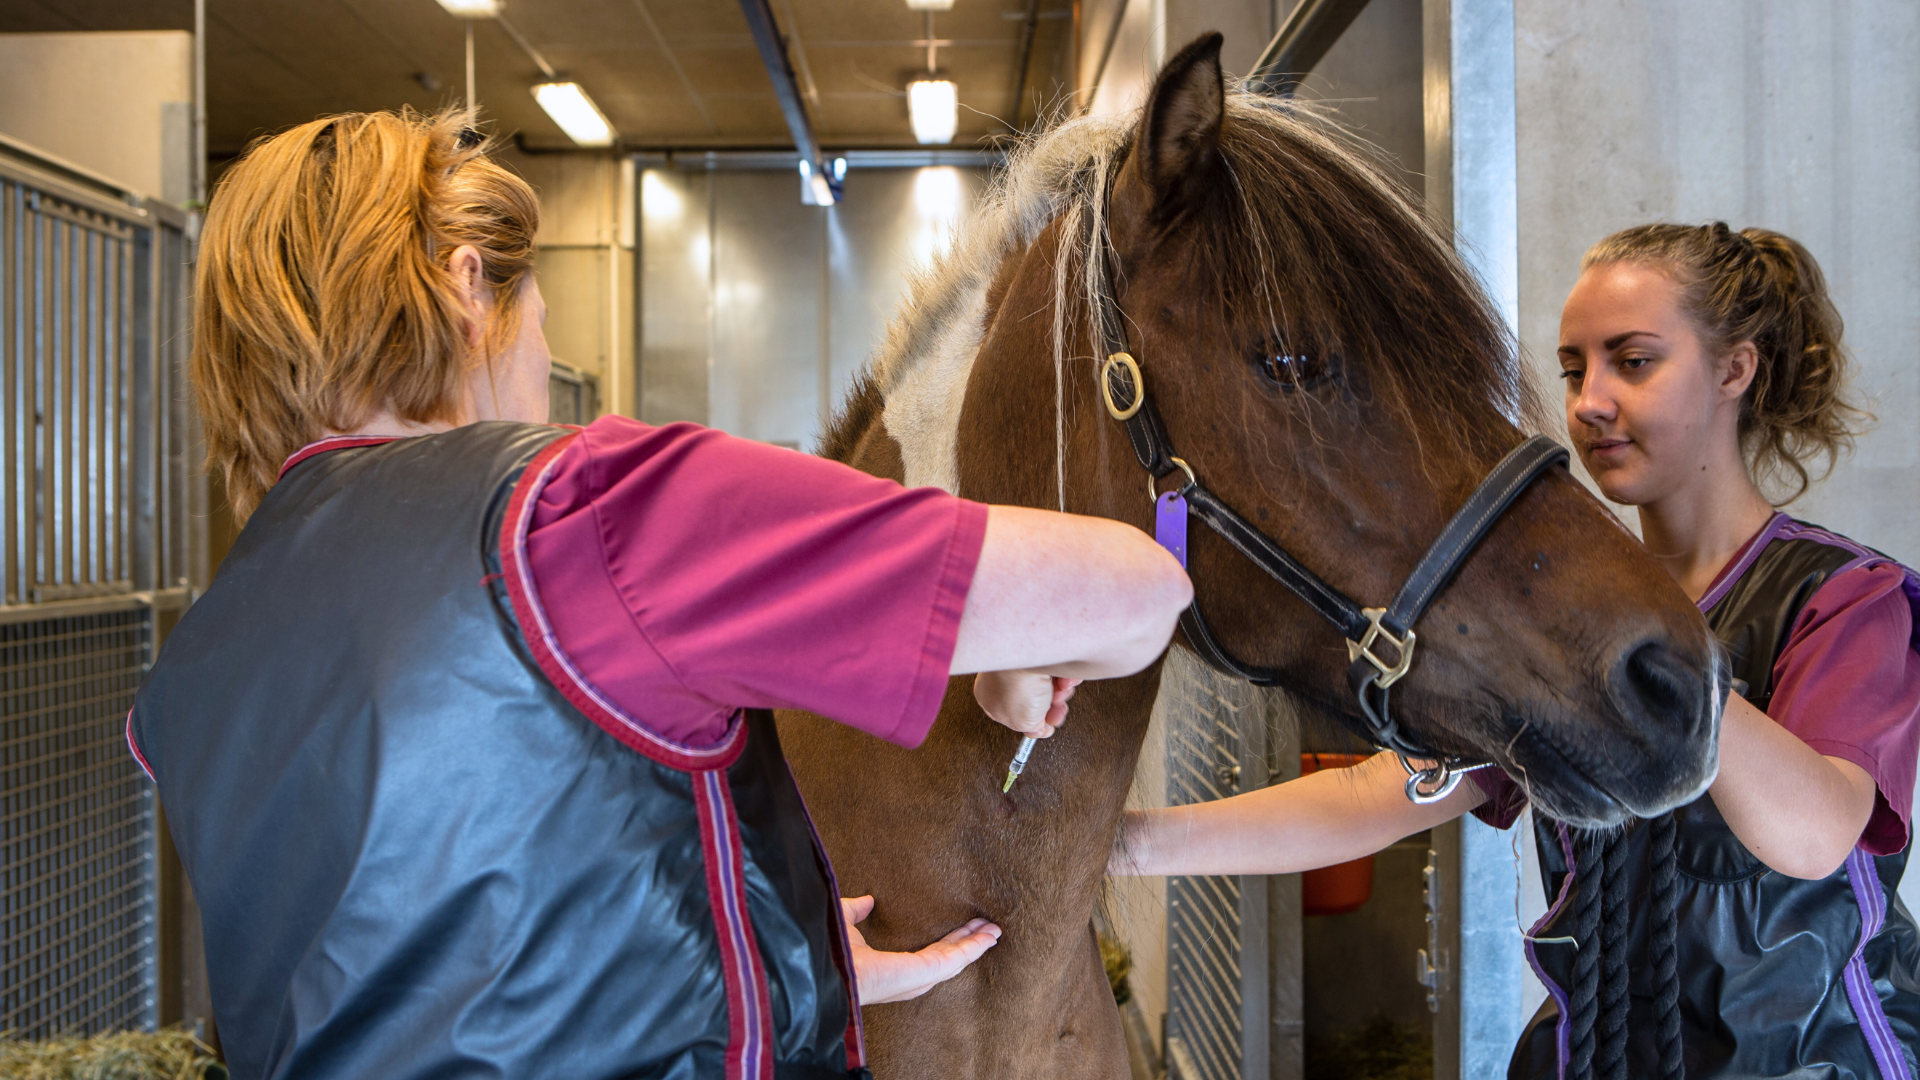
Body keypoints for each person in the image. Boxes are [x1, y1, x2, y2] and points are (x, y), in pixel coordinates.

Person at [127, 110, 1192, 1080]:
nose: (548, 356)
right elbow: (1137, 594)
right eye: (540, 307)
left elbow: (439, 951)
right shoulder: (579, 512)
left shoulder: (202, 664)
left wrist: (770, 968)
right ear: (464, 286)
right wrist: (997, 647)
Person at [1113, 222, 1920, 1078]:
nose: (1590, 401)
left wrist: (1652, 651)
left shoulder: (1845, 599)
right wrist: (1122, 843)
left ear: (1733, 370)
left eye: (1633, 361)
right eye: (1575, 369)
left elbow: (1817, 837)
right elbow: (1376, 794)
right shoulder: (1557, 616)